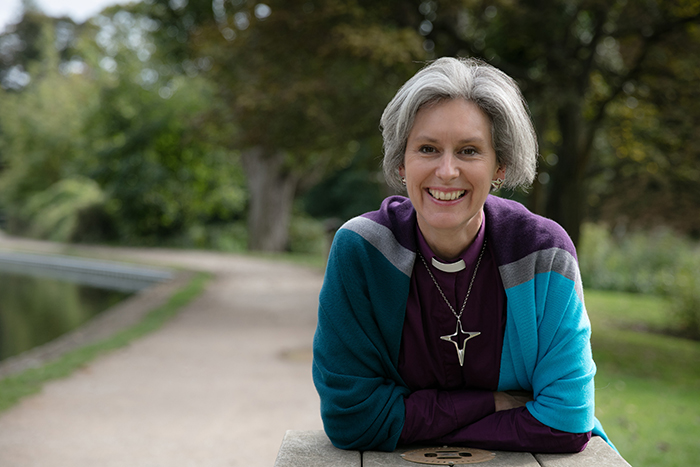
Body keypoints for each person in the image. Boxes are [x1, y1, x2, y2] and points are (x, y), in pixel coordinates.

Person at [312, 57, 611, 453]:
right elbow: (351, 418)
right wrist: (492, 404)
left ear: (500, 166)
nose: (447, 171)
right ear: (401, 162)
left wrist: (403, 419)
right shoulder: (363, 250)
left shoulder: (543, 254)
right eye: (428, 149)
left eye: (469, 151)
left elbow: (566, 423)